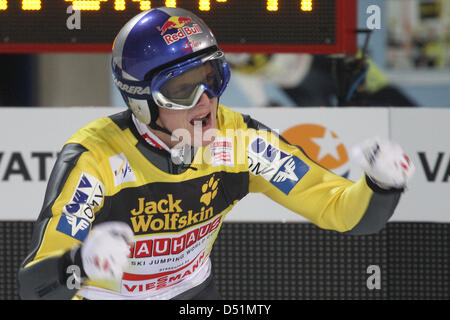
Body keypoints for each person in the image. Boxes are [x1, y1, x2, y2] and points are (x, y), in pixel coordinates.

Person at [18, 7, 414, 300]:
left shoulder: (240, 141)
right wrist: (79, 263)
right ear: (141, 102)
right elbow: (34, 285)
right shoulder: (94, 157)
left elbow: (347, 214)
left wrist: (381, 184)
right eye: (181, 89)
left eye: (211, 78)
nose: (205, 102)